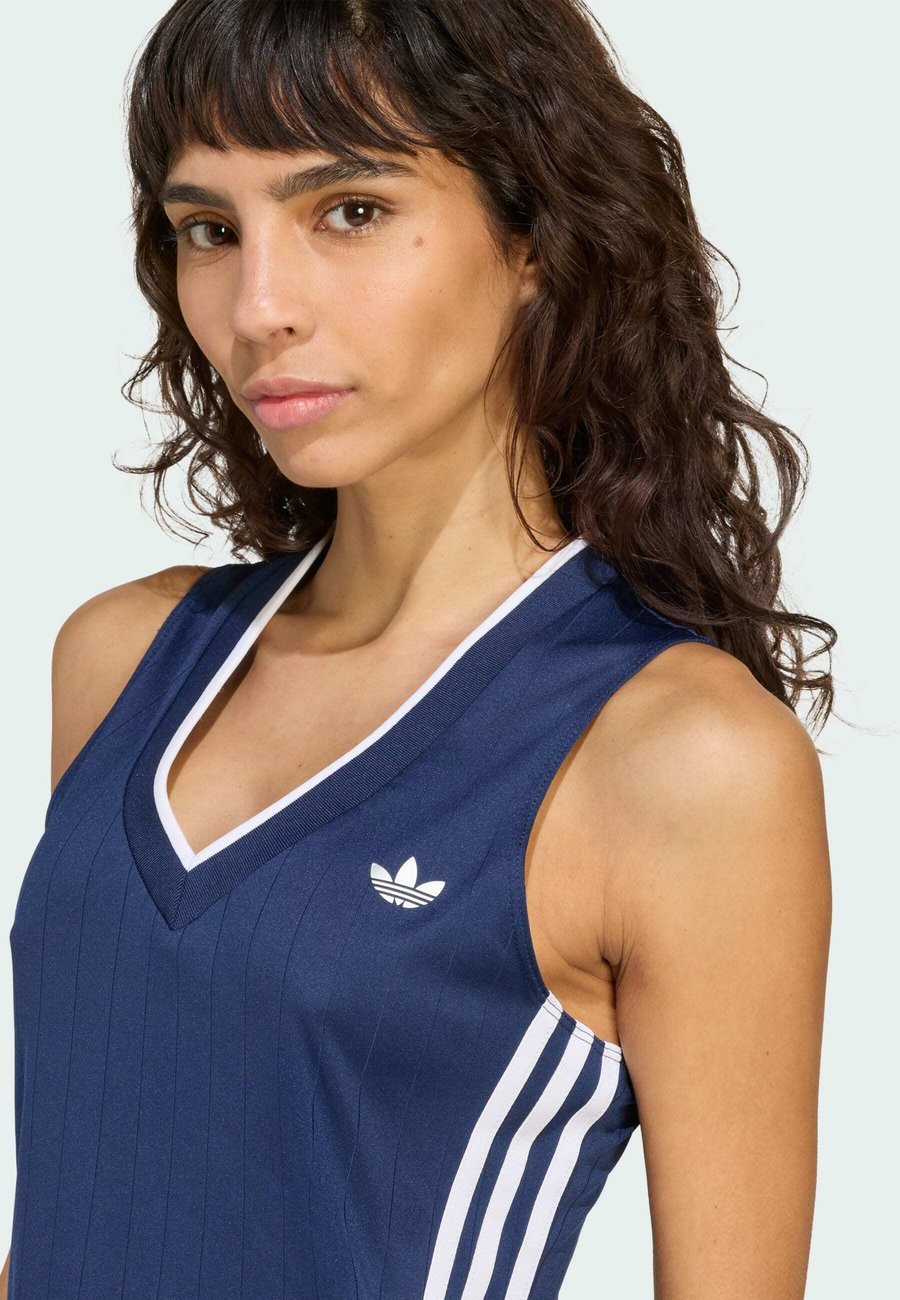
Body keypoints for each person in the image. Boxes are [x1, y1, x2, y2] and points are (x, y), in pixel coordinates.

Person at [3, 1, 834, 1297]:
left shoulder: (680, 759)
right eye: (209, 229)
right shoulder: (124, 659)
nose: (259, 306)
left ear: (536, 239)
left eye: (349, 210)